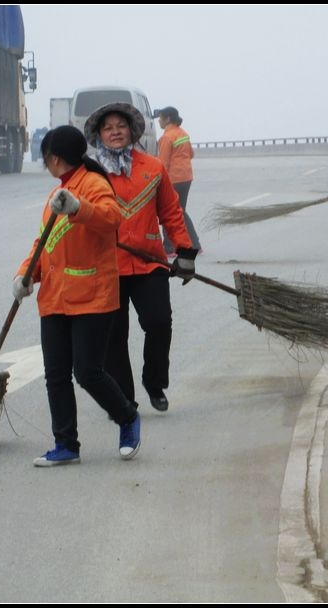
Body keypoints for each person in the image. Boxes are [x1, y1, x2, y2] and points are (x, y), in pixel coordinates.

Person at [12, 125, 141, 466]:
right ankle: (66, 444)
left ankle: (127, 417)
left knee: (87, 372)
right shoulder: (58, 192)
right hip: (55, 297)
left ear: (54, 158)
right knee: (55, 374)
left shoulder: (94, 184)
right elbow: (44, 242)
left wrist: (77, 207)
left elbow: (111, 219)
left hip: (92, 296)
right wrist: (25, 275)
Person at [83, 102, 197, 414]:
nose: (115, 132)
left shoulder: (152, 167)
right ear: (99, 135)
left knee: (160, 323)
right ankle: (123, 401)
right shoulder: (89, 175)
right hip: (107, 268)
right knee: (114, 337)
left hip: (149, 263)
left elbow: (172, 213)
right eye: (108, 128)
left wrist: (185, 251)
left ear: (132, 132)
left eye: (121, 126)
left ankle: (154, 381)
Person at [155, 106, 202, 255]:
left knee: (169, 212)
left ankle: (169, 247)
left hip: (173, 179)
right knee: (180, 210)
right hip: (186, 177)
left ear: (167, 119)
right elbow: (191, 154)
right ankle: (195, 244)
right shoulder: (183, 134)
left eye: (160, 119)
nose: (159, 122)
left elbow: (162, 163)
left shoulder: (166, 137)